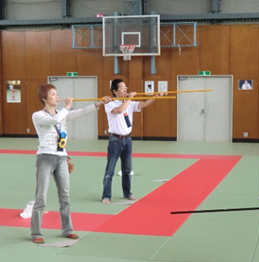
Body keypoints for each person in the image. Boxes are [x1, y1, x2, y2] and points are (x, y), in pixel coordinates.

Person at [31, 84, 110, 244]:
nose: (56, 96)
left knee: (65, 196)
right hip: (45, 158)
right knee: (41, 197)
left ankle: (68, 230)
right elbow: (54, 119)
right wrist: (67, 106)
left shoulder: (62, 113)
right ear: (44, 98)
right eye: (53, 94)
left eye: (56, 93)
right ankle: (36, 233)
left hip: (61, 158)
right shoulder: (38, 115)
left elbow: (80, 113)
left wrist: (98, 104)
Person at [101, 79, 164, 204]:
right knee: (110, 170)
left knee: (127, 169)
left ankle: (127, 193)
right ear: (115, 91)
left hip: (127, 139)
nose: (125, 90)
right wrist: (129, 99)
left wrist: (155, 97)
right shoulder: (109, 103)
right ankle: (106, 196)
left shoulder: (129, 103)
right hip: (115, 140)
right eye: (122, 88)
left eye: (126, 87)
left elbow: (143, 105)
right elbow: (119, 111)